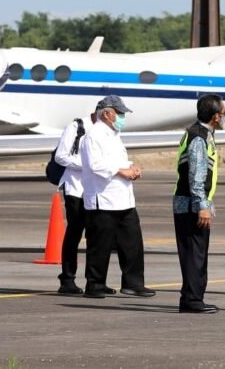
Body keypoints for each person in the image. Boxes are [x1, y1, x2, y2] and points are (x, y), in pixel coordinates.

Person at [81, 94, 156, 299]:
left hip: (123, 198)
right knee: (100, 245)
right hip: (103, 199)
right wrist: (121, 170)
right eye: (120, 113)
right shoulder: (93, 135)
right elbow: (96, 164)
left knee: (132, 242)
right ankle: (95, 284)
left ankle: (133, 283)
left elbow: (118, 159)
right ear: (107, 114)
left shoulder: (114, 134)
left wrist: (131, 167)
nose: (122, 117)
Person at [173, 94, 225, 314]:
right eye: (223, 113)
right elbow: (196, 175)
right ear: (215, 116)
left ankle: (193, 297)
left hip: (192, 204)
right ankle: (192, 300)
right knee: (194, 254)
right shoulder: (198, 137)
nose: (224, 117)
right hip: (191, 206)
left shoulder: (202, 134)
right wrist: (202, 205)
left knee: (196, 254)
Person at [53, 108, 98, 295]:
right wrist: (87, 165)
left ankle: (94, 281)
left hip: (95, 189)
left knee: (95, 236)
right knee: (74, 234)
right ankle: (67, 279)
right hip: (75, 189)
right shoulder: (76, 127)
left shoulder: (108, 131)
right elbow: (61, 156)